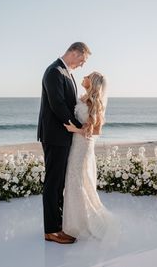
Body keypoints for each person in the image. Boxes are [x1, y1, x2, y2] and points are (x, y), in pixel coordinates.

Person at [37, 42, 91, 244]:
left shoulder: (66, 72)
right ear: (74, 53)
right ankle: (51, 230)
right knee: (53, 182)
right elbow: (58, 105)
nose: (82, 65)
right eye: (82, 60)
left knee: (59, 181)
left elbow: (68, 103)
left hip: (63, 136)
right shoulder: (54, 71)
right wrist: (78, 126)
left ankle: (57, 224)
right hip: (55, 136)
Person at [63, 72, 119, 241]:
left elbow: (96, 130)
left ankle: (83, 223)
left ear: (92, 82)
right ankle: (73, 221)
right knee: (73, 180)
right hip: (76, 144)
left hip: (83, 145)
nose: (84, 76)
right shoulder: (82, 97)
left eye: (88, 75)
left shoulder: (96, 102)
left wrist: (76, 130)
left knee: (78, 180)